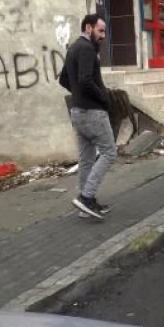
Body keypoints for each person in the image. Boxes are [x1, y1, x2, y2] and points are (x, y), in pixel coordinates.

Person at [59, 14, 115, 220]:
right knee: (109, 152)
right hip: (92, 112)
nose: (103, 36)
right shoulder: (86, 49)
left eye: (104, 32)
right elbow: (85, 80)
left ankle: (86, 204)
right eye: (100, 31)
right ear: (88, 28)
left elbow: (64, 78)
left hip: (77, 111)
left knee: (86, 158)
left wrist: (78, 95)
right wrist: (103, 98)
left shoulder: (74, 48)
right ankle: (86, 197)